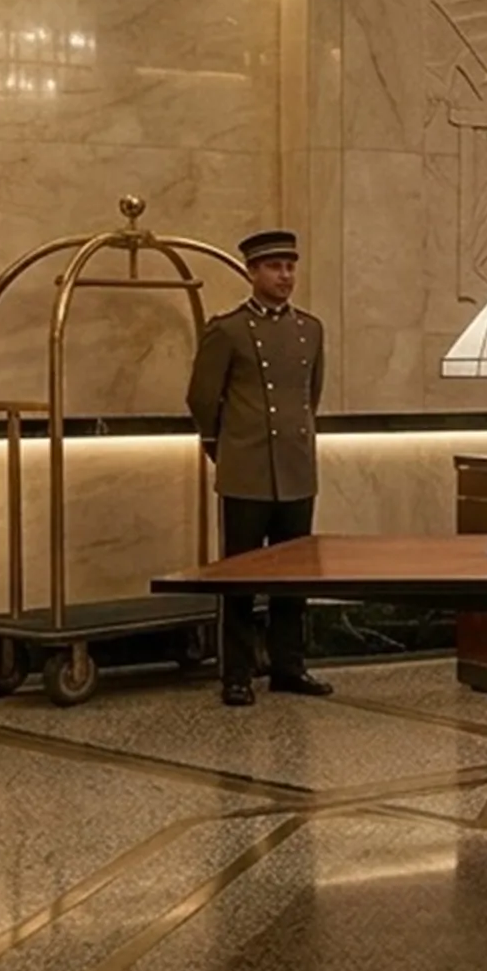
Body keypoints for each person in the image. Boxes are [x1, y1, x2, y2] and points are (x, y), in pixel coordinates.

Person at [189, 229, 328, 706]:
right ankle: (237, 673)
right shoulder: (227, 330)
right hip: (246, 469)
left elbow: (311, 396)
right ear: (252, 272)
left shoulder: (310, 329)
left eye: (290, 266)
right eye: (274, 267)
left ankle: (290, 666)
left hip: (295, 470)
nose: (285, 276)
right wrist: (221, 446)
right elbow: (203, 398)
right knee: (240, 577)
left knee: (296, 575)